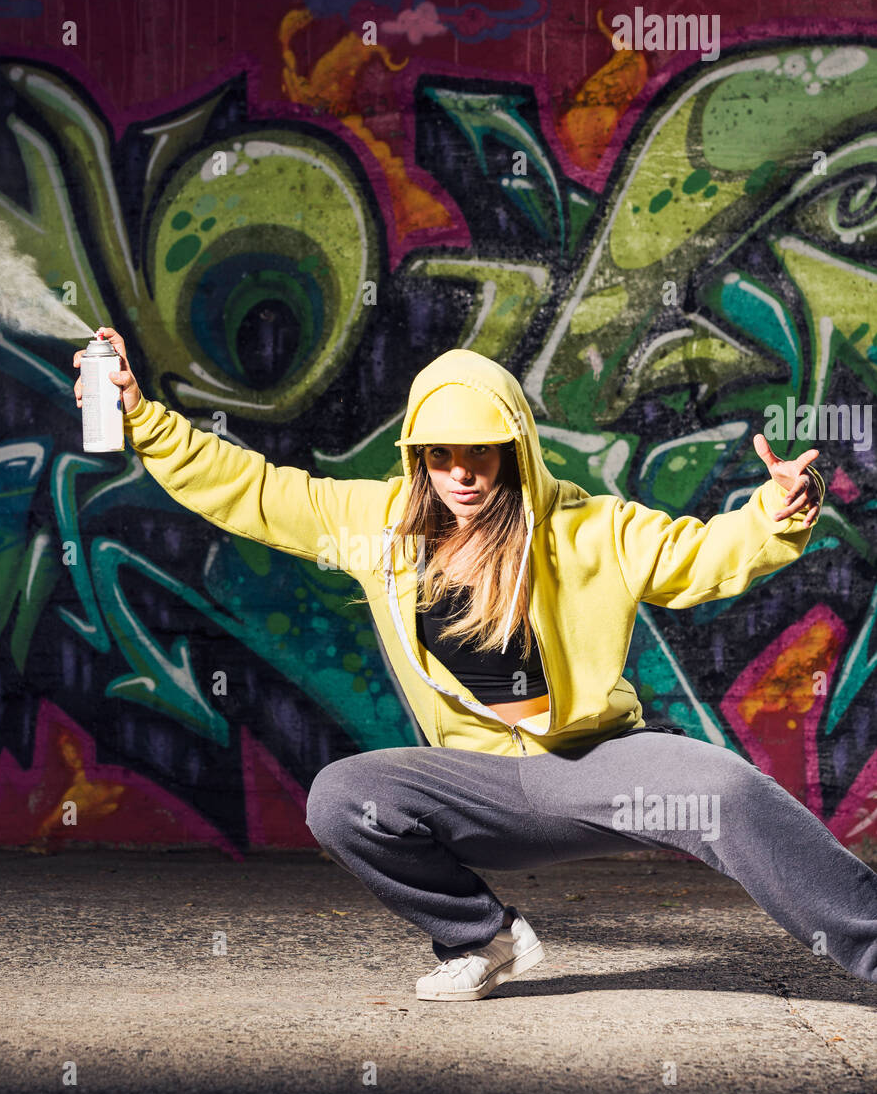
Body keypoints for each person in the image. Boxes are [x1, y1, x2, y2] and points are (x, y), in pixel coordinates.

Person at [74, 329, 877, 1002]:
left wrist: (771, 515)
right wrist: (142, 418)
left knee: (726, 791)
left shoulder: (586, 529)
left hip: (592, 764)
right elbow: (250, 490)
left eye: (481, 453)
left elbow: (700, 557)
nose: (461, 474)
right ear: (416, 455)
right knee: (344, 796)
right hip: (479, 782)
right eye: (440, 455)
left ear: (515, 449)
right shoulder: (375, 526)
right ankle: (484, 939)